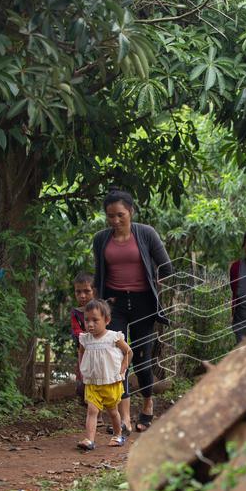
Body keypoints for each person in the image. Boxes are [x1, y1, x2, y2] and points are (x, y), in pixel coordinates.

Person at [92, 188, 173, 434]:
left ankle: (148, 402)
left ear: (131, 212)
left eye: (120, 215)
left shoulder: (146, 234)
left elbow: (167, 267)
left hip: (143, 303)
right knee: (118, 358)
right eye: (110, 216)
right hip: (114, 304)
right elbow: (99, 274)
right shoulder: (101, 239)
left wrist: (154, 284)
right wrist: (99, 304)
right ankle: (124, 417)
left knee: (140, 359)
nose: (115, 220)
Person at [76, 299, 132, 451]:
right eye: (87, 320)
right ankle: (89, 439)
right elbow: (81, 352)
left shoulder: (113, 337)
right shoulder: (85, 339)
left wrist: (123, 367)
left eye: (95, 320)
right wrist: (82, 367)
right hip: (93, 383)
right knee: (92, 410)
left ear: (107, 320)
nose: (90, 324)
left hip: (110, 383)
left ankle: (118, 435)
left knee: (113, 412)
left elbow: (128, 352)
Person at [70, 271, 96, 401]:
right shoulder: (76, 313)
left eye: (87, 291)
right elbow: (76, 330)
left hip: (102, 352)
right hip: (84, 351)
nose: (82, 296)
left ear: (94, 291)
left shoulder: (102, 309)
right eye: (78, 292)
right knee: (83, 383)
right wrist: (85, 335)